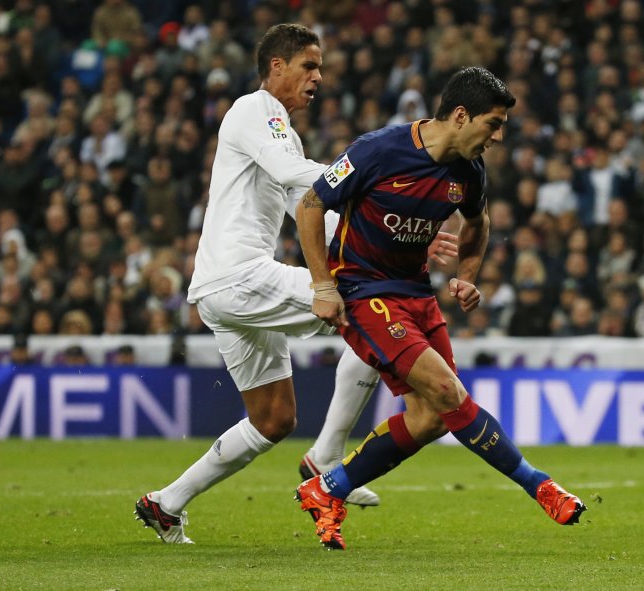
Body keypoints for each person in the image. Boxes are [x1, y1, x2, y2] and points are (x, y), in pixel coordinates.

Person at [133, 23, 459, 544]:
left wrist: (399, 237)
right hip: (239, 276)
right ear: (277, 66)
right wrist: (375, 185)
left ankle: (166, 503)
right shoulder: (253, 108)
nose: (319, 77)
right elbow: (297, 174)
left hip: (224, 288)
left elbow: (309, 209)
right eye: (309, 66)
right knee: (373, 308)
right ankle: (327, 456)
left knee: (274, 419)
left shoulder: (278, 128)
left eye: (321, 68)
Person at [294, 66, 586, 550]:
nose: (496, 137)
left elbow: (479, 222)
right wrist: (323, 286)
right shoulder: (377, 150)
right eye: (492, 124)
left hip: (416, 293)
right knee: (449, 391)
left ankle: (327, 489)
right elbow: (309, 205)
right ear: (459, 115)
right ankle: (541, 486)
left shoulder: (468, 171)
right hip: (365, 290)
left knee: (430, 419)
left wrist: (467, 276)